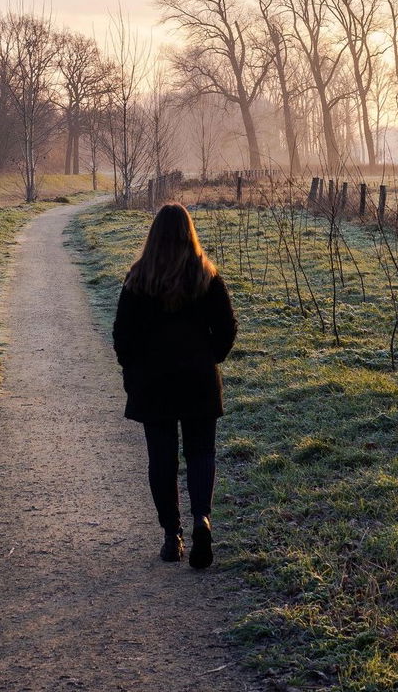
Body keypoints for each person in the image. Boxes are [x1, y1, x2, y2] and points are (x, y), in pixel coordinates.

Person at [112, 203, 238, 570]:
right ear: (190, 233)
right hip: (197, 378)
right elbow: (227, 329)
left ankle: (172, 535)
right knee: (201, 453)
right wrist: (208, 358)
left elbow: (122, 336)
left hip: (154, 382)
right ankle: (202, 519)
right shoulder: (207, 276)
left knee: (161, 458)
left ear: (153, 236)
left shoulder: (138, 279)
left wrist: (133, 369)